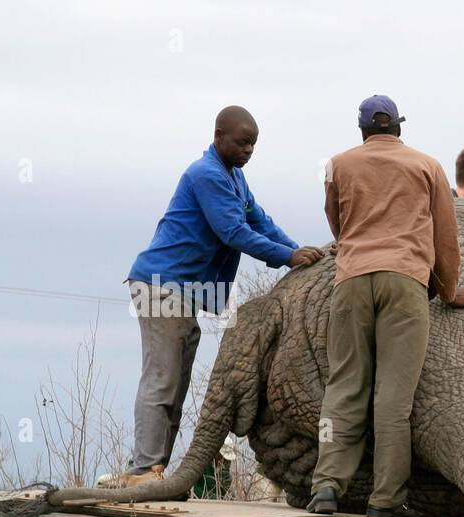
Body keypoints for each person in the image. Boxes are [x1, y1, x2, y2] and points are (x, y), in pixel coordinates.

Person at [109, 105, 324, 488]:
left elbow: (260, 221)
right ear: (219, 135)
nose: (248, 150)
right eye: (242, 142)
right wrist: (287, 257)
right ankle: (143, 468)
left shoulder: (234, 178)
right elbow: (233, 231)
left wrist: (298, 252)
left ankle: (154, 470)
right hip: (162, 284)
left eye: (254, 144)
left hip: (184, 291)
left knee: (177, 382)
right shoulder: (206, 175)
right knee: (162, 378)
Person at [307, 95, 461, 517]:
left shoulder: (338, 165)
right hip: (405, 281)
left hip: (352, 279)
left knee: (343, 387)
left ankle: (325, 489)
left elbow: (336, 220)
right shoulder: (427, 166)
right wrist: (449, 290)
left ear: (362, 131)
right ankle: (386, 500)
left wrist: (357, 246)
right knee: (393, 398)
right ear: (398, 128)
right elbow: (445, 236)